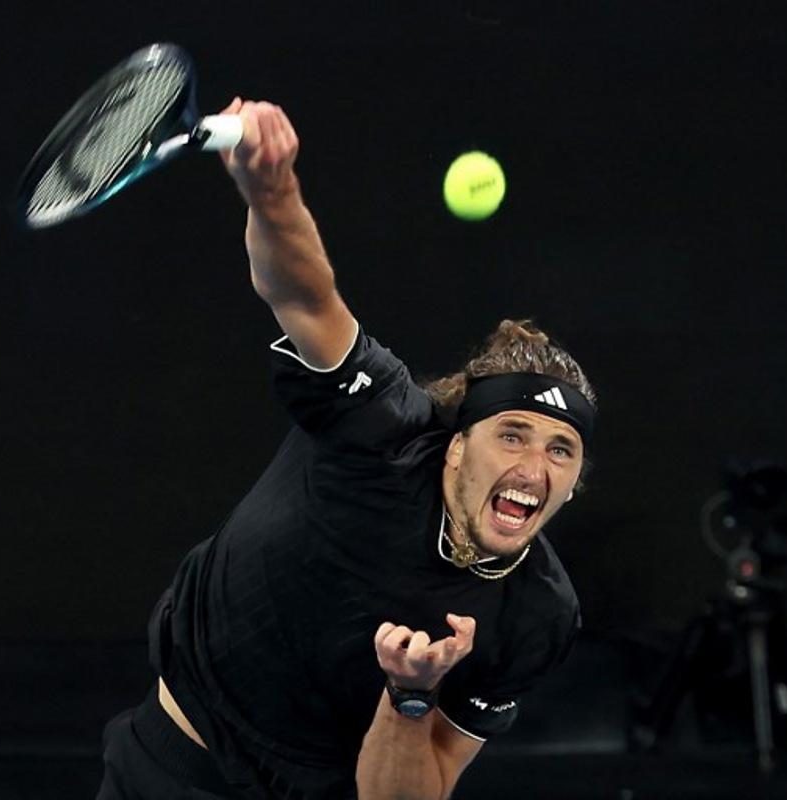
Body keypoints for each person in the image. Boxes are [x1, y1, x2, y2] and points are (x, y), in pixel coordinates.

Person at [95, 97, 597, 800]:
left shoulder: (538, 614)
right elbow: (305, 297)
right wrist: (271, 192)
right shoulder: (383, 426)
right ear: (455, 448)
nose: (533, 467)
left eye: (560, 451)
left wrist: (411, 697)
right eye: (512, 434)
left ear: (573, 484)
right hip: (179, 766)